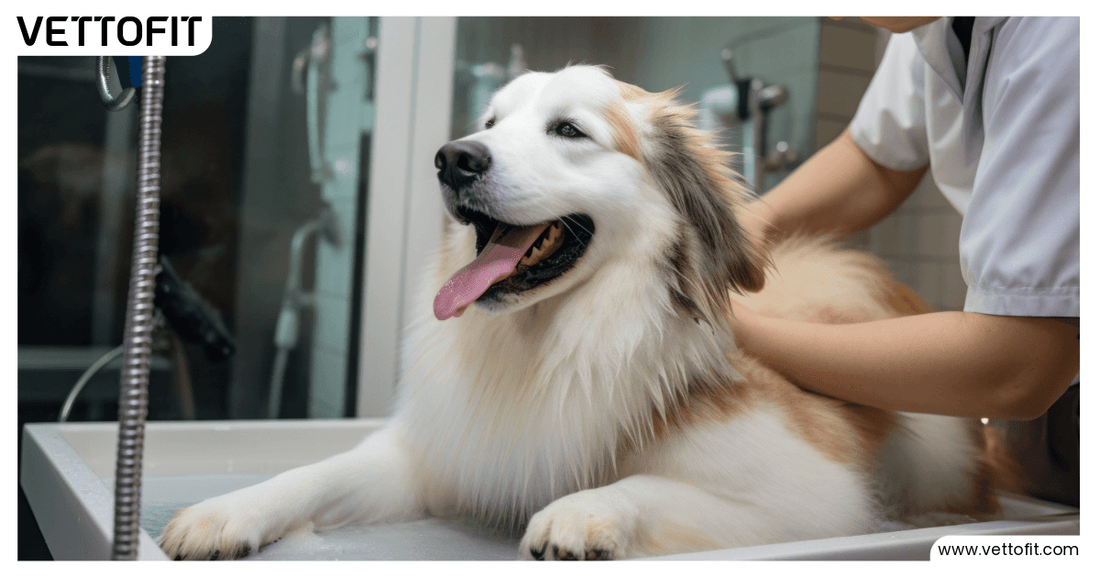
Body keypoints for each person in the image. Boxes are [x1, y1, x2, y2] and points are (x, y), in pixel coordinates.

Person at [734, 17, 1080, 505]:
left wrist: (744, 333)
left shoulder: (1065, 35)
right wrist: (754, 221)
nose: (834, 15)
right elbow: (877, 158)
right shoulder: (926, 23)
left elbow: (1017, 362)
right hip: (1036, 420)